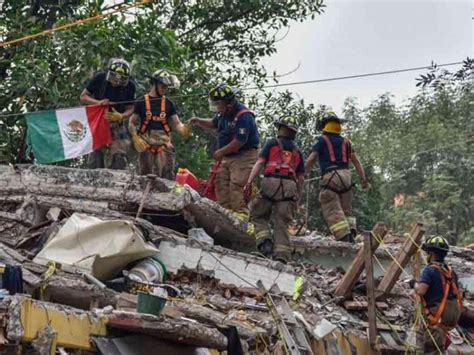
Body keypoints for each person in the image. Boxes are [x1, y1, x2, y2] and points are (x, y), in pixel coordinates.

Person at [190, 83, 260, 218]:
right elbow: (213, 123)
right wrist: (199, 121)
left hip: (244, 155)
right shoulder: (222, 113)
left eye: (218, 104)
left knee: (237, 184)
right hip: (227, 155)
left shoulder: (244, 116)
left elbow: (240, 141)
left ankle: (241, 215)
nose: (217, 107)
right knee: (220, 182)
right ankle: (225, 213)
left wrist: (221, 152)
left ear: (228, 103)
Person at [244, 117, 304, 262]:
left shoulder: (272, 143)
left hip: (271, 182)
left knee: (258, 214)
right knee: (282, 222)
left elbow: (260, 162)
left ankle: (265, 243)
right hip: (289, 186)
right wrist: (298, 197)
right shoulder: (297, 151)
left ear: (280, 129)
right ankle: (282, 257)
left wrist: (249, 181)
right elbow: (301, 178)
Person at [305, 113, 368, 243]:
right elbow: (356, 162)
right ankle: (351, 232)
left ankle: (345, 237)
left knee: (330, 206)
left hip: (331, 176)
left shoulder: (321, 140)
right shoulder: (346, 142)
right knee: (346, 210)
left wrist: (302, 174)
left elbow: (311, 159)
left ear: (325, 126)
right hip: (347, 177)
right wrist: (363, 180)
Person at [128, 69, 191, 178]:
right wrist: (135, 137)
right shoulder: (141, 101)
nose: (164, 89)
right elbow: (131, 123)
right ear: (155, 84)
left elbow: (177, 123)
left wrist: (184, 129)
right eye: (163, 86)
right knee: (144, 174)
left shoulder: (169, 104)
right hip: (146, 141)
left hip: (163, 142)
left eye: (166, 87)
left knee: (167, 172)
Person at [80, 58, 135, 169]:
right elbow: (83, 96)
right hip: (98, 121)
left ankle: (116, 178)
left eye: (121, 80)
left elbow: (131, 108)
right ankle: (94, 176)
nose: (117, 82)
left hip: (116, 122)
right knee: (96, 153)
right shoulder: (100, 78)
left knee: (120, 155)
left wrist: (122, 116)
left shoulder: (130, 86)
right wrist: (98, 103)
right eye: (114, 78)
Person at [414, 236, 463, 354]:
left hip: (438, 315)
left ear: (431, 253)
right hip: (453, 315)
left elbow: (421, 291)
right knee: (427, 337)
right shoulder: (451, 271)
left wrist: (414, 285)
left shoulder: (429, 270)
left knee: (432, 348)